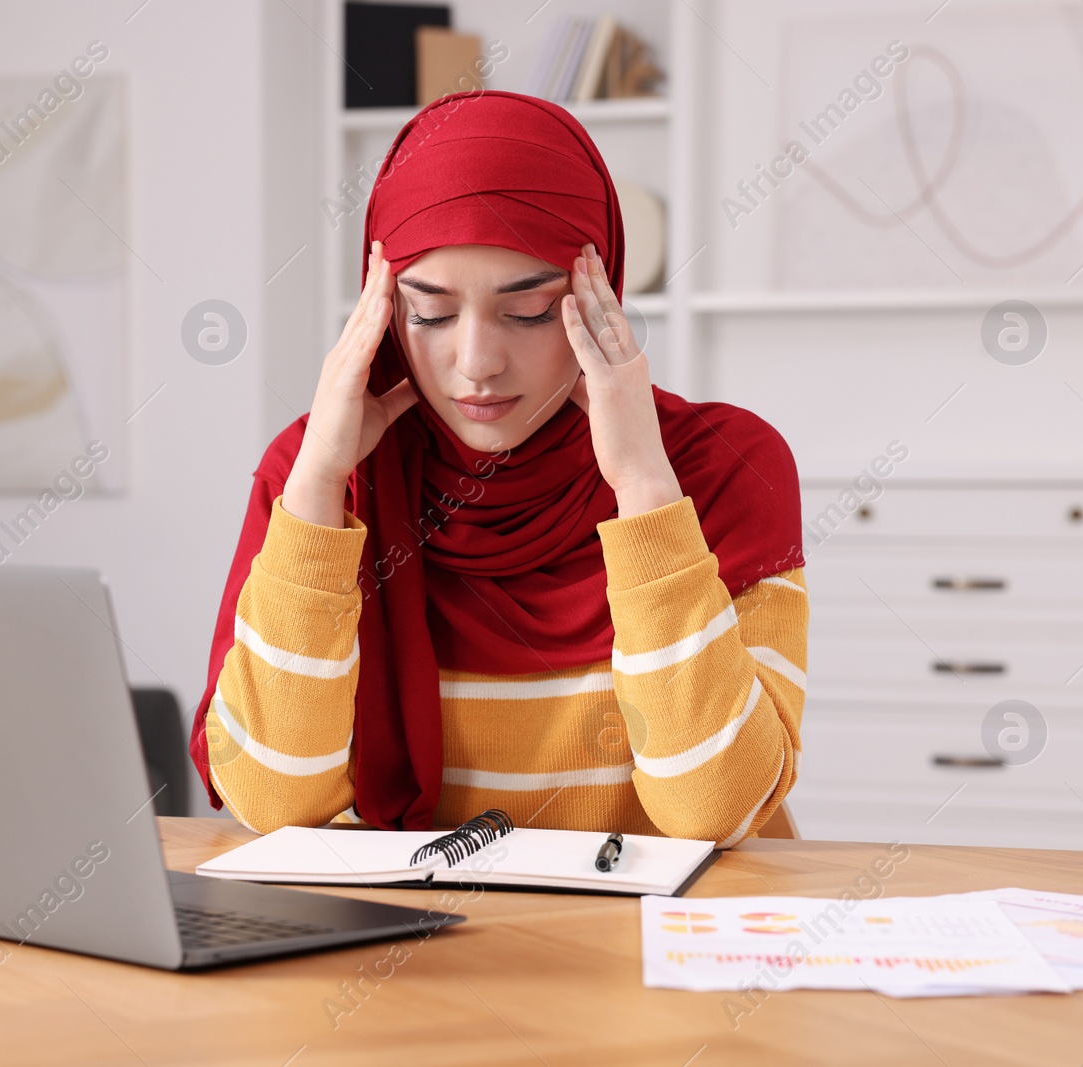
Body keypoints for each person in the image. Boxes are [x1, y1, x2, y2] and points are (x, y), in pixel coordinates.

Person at [189, 90, 806, 846]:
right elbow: (270, 803)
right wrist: (318, 489)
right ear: (379, 312)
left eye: (530, 311)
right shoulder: (318, 475)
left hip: (649, 951)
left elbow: (718, 809)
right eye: (432, 313)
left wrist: (644, 486)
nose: (476, 363)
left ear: (601, 291)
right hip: (416, 956)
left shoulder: (722, 466)